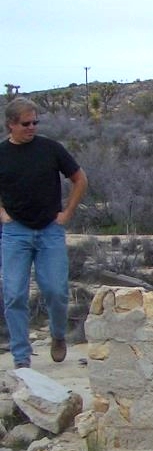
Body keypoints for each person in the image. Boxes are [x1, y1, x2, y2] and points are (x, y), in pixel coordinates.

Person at [0, 97, 88, 368]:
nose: (32, 127)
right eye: (26, 123)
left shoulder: (50, 149)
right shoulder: (2, 153)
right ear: (11, 125)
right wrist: (2, 213)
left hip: (50, 230)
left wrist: (68, 213)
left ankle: (58, 335)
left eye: (35, 122)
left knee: (56, 291)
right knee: (14, 294)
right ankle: (21, 357)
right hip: (16, 233)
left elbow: (79, 178)